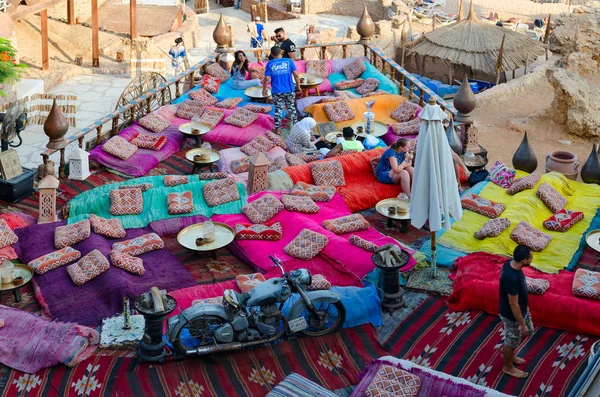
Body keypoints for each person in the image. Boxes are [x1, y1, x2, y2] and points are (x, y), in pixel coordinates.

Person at [499, 245, 534, 379]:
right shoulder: (512, 278)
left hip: (522, 309)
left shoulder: (510, 263)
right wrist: (521, 324)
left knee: (528, 331)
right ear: (524, 260)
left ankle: (510, 354)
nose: (532, 259)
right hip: (512, 315)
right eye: (530, 258)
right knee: (512, 340)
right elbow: (513, 304)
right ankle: (507, 367)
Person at [263, 46, 301, 135]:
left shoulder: (270, 63)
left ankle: (277, 129)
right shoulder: (289, 61)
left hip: (276, 91)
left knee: (278, 109)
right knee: (291, 108)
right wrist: (298, 86)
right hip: (289, 89)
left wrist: (264, 89)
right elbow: (296, 74)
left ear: (272, 54)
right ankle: (295, 127)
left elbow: (267, 78)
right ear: (281, 52)